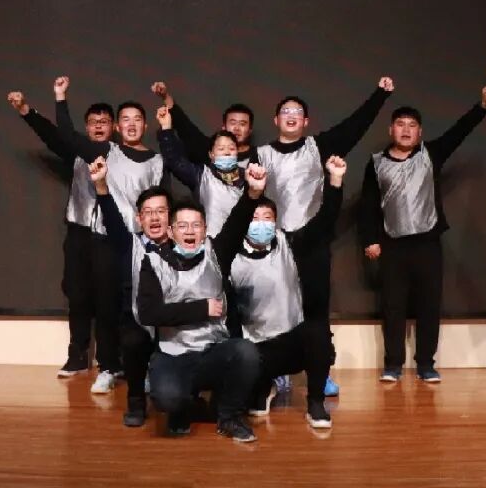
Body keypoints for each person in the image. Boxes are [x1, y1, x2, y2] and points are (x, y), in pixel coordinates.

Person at [255, 77, 395, 396]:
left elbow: (354, 127)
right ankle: (277, 371)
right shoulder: (260, 154)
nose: (291, 116)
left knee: (316, 312)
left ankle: (321, 372)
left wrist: (380, 95)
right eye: (285, 111)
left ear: (306, 121)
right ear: (276, 120)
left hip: (313, 244)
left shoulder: (317, 147)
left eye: (298, 112)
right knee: (275, 310)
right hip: (274, 246)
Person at [359, 86, 486, 383]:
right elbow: (368, 204)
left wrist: (482, 107)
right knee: (392, 307)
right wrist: (370, 239)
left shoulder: (430, 154)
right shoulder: (376, 163)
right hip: (392, 245)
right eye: (400, 124)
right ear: (391, 129)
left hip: (427, 244)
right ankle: (393, 365)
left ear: (419, 132)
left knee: (429, 306)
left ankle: (425, 364)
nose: (406, 130)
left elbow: (459, 132)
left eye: (412, 125)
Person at [55, 76, 165, 394]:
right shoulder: (105, 150)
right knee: (104, 303)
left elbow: (161, 200)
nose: (131, 124)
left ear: (145, 125)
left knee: (138, 304)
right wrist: (60, 98)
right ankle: (106, 366)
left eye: (137, 119)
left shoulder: (157, 161)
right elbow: (66, 136)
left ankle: (139, 366)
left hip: (141, 242)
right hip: (107, 237)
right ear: (117, 126)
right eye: (125, 119)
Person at [214, 159, 344, 428]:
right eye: (255, 219)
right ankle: (263, 387)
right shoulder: (228, 255)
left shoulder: (290, 243)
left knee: (318, 333)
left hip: (292, 341)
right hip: (255, 347)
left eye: (267, 219)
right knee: (245, 385)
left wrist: (335, 182)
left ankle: (316, 403)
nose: (261, 225)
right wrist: (252, 192)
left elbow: (324, 223)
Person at [6, 84, 114, 381]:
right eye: (93, 122)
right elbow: (52, 135)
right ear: (86, 128)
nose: (98, 126)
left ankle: (109, 360)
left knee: (108, 298)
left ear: (114, 127)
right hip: (79, 234)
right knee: (77, 295)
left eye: (104, 122)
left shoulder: (122, 156)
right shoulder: (76, 153)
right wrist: (26, 110)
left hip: (110, 237)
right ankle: (77, 356)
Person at [134, 195, 262, 442]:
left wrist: (252, 194)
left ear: (204, 230)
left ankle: (229, 417)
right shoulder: (153, 262)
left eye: (196, 225)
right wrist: (201, 309)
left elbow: (237, 222)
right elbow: (148, 313)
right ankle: (183, 408)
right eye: (182, 226)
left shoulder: (217, 253)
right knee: (168, 398)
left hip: (212, 350)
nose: (190, 231)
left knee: (246, 353)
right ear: (170, 232)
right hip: (173, 355)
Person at [91, 160, 172, 428]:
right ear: (139, 219)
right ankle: (136, 401)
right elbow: (112, 219)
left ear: (171, 216)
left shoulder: (184, 247)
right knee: (133, 341)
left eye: (161, 211)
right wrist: (101, 186)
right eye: (148, 212)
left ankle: (185, 400)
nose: (155, 218)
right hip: (138, 323)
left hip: (175, 326)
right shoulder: (130, 245)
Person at [155, 105, 245, 238]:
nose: (227, 152)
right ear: (211, 155)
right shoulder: (202, 176)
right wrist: (166, 129)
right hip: (210, 243)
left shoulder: (251, 179)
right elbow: (175, 161)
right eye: (221, 149)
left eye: (231, 148)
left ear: (237, 153)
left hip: (243, 244)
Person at [151, 81, 255, 167]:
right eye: (233, 123)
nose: (237, 128)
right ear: (224, 127)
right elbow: (185, 127)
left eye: (242, 124)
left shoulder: (259, 156)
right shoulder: (209, 149)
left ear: (250, 130)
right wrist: (166, 97)